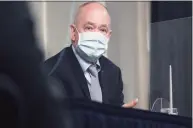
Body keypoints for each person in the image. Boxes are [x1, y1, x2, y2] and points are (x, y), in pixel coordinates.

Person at [44, 1, 138, 108]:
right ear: (73, 33)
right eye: (89, 28)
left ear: (109, 35)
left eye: (103, 30)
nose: (96, 35)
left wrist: (120, 116)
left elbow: (114, 111)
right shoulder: (51, 71)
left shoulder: (113, 73)